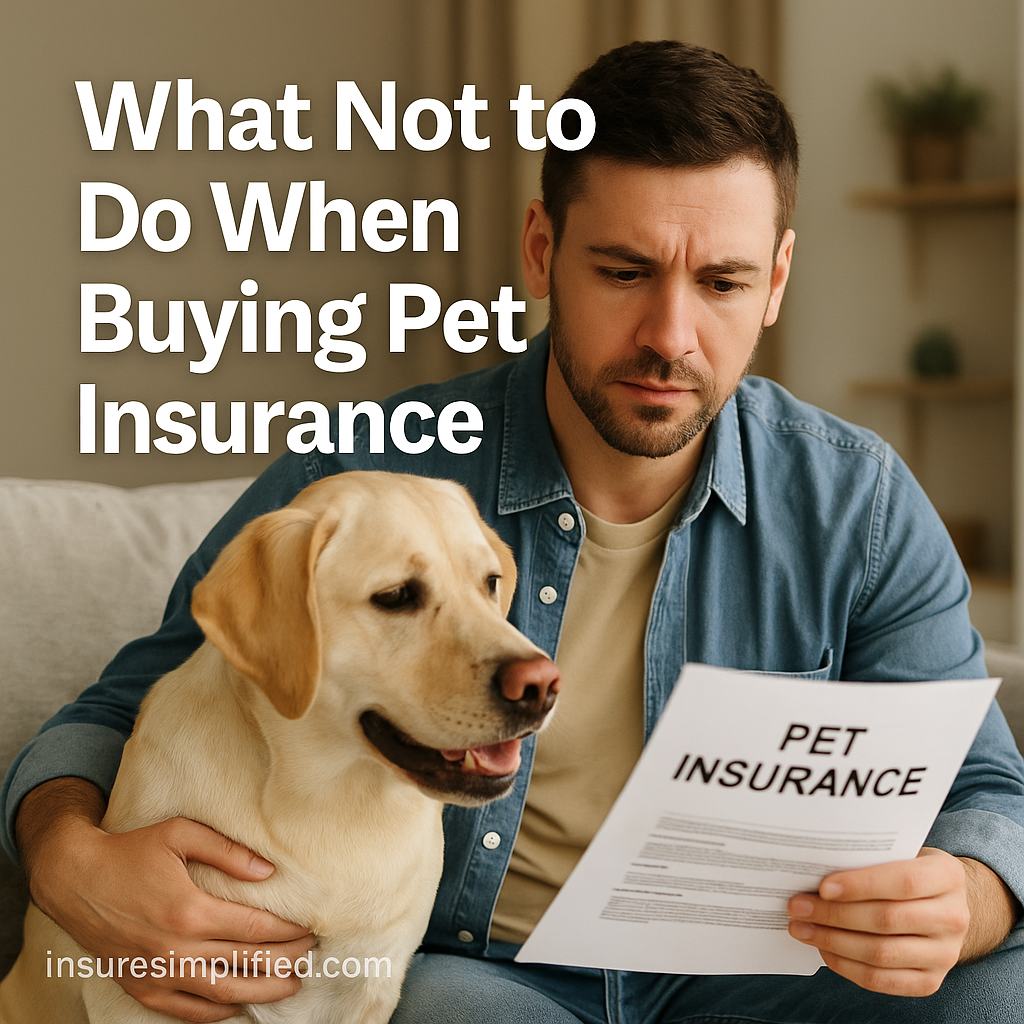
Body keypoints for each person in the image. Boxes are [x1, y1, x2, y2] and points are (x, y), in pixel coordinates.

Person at [4, 39, 1024, 1024]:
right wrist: (68, 857)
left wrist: (967, 897)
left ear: (777, 279)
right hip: (495, 976)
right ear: (543, 249)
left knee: (998, 989)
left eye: (721, 282)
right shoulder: (369, 467)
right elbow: (128, 702)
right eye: (624, 271)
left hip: (774, 970)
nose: (670, 335)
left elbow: (983, 784)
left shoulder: (859, 502)